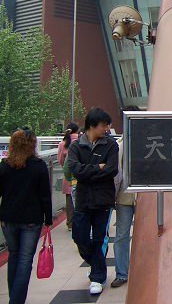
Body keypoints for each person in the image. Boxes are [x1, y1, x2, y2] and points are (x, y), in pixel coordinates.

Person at [68, 108, 119, 295]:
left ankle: (97, 277)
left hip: (103, 199)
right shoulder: (76, 146)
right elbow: (75, 170)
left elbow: (111, 170)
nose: (106, 128)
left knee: (99, 238)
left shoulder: (110, 145)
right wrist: (98, 167)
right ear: (92, 125)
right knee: (79, 236)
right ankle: (97, 264)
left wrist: (87, 172)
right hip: (83, 199)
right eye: (104, 125)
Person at [0, 128, 53, 304]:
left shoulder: (5, 165)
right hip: (31, 218)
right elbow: (45, 195)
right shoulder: (38, 166)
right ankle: (16, 300)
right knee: (24, 260)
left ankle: (14, 297)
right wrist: (48, 219)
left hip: (8, 218)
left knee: (13, 256)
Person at [111, 106, 139, 288]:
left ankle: (142, 271)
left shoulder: (149, 141)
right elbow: (116, 173)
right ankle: (122, 273)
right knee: (121, 235)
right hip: (124, 197)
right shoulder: (119, 145)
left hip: (144, 198)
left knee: (145, 235)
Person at [57, 122, 79, 231]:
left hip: (69, 176)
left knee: (69, 201)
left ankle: (70, 223)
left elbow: (61, 160)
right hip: (79, 175)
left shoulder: (63, 143)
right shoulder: (80, 141)